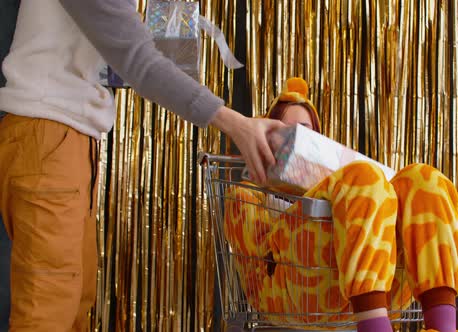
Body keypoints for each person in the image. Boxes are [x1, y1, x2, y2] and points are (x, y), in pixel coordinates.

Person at [0, 0, 284, 330]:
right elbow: (138, 61)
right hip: (48, 132)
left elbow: (128, 58)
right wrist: (236, 124)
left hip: (70, 139)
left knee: (74, 302)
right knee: (50, 310)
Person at [223, 78, 458, 332]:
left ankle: (442, 325)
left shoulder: (340, 184)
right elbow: (256, 262)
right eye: (286, 129)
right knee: (364, 177)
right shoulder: (254, 197)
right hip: (297, 289)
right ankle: (374, 326)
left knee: (425, 179)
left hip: (373, 279)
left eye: (305, 131)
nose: (296, 138)